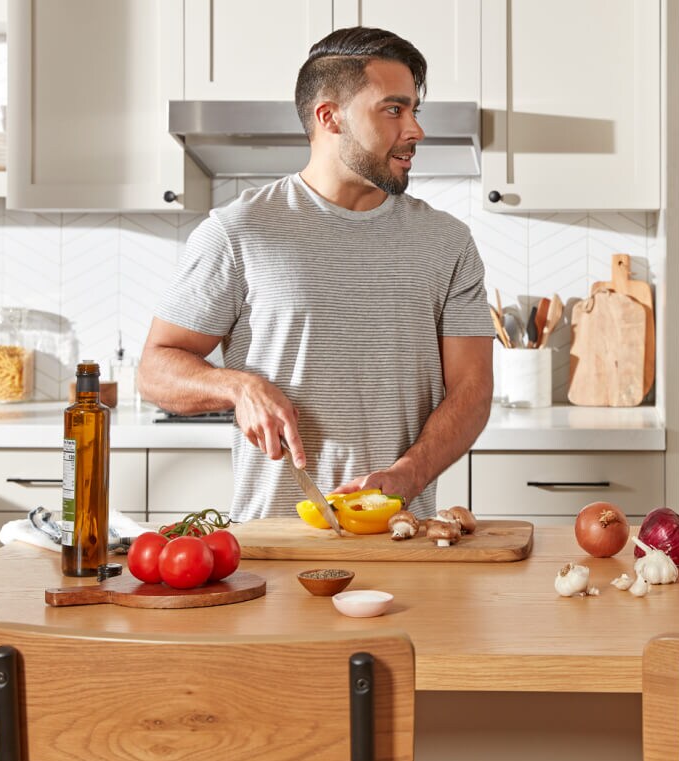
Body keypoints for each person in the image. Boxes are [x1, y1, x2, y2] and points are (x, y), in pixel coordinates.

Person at [137, 26, 493, 522]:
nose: (415, 130)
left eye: (414, 109)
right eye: (394, 109)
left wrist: (409, 475)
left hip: (399, 534)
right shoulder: (239, 231)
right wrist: (238, 387)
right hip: (271, 542)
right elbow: (155, 369)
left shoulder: (447, 242)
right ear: (330, 117)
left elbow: (472, 392)